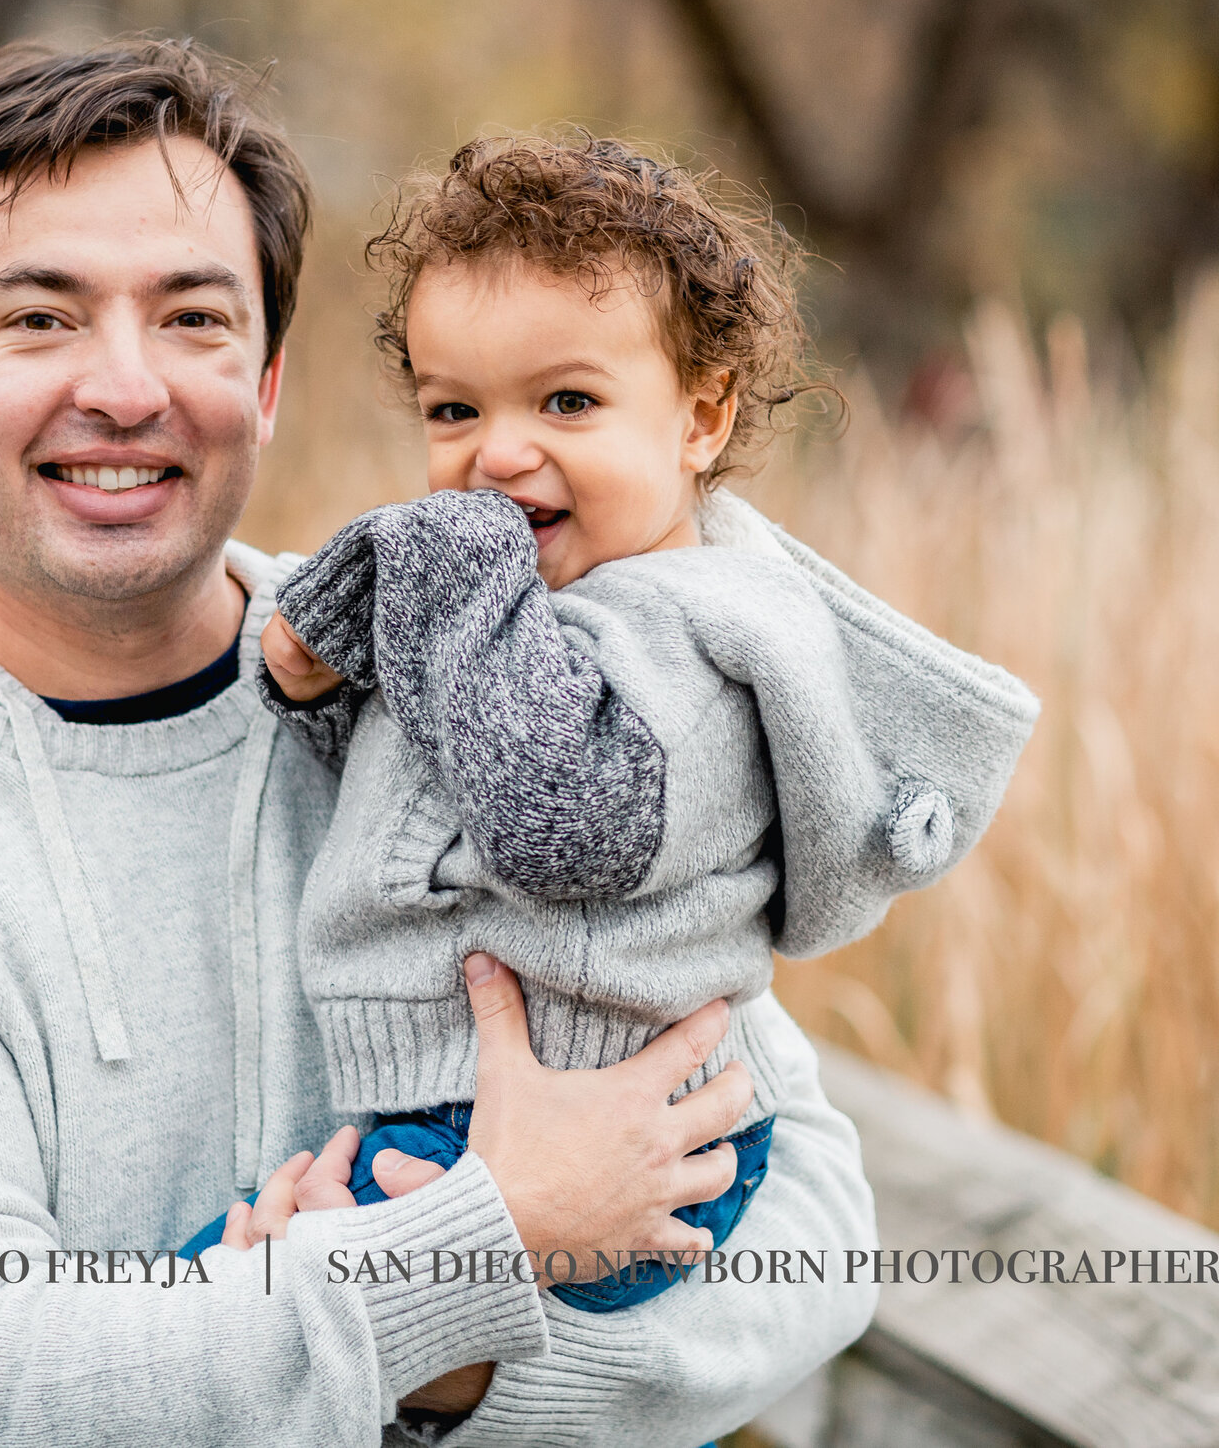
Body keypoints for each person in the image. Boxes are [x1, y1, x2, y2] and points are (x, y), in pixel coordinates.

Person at [0, 39, 884, 1446]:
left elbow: (817, 1224)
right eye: (40, 319)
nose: (126, 388)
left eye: (194, 317)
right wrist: (467, 1259)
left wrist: (469, 1372)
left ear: (265, 380)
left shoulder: (472, 686)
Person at [173, 136, 1039, 1312]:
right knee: (226, 1318)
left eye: (568, 401)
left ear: (701, 416)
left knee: (206, 1312)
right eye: (452, 407)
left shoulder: (691, 647)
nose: (499, 452)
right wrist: (322, 678)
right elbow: (406, 798)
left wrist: (445, 554)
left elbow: (555, 826)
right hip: (482, 1123)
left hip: (597, 1143)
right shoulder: (538, 616)